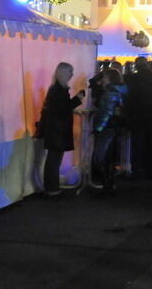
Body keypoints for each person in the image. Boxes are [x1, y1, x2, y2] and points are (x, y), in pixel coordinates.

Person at [38, 62, 84, 197]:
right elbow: (63, 109)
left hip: (55, 129)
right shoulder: (59, 90)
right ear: (63, 73)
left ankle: (52, 187)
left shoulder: (56, 89)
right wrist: (77, 99)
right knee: (54, 160)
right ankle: (52, 188)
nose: (72, 75)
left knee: (54, 160)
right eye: (70, 72)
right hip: (57, 130)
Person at [91, 67, 126, 192]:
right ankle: (109, 183)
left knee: (102, 156)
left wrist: (98, 128)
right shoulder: (120, 90)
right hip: (115, 126)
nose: (103, 79)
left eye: (105, 77)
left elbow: (107, 112)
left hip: (108, 127)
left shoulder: (110, 92)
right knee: (109, 156)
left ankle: (106, 184)